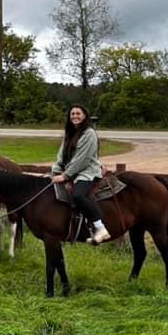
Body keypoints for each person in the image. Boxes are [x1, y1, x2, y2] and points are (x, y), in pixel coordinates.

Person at [50, 104, 109, 244]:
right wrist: (56, 169)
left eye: (78, 113)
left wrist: (65, 176)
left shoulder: (89, 133)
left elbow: (82, 160)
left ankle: (100, 227)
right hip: (71, 170)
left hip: (87, 171)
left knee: (78, 195)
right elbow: (61, 155)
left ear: (84, 116)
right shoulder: (69, 132)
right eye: (72, 114)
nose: (75, 116)